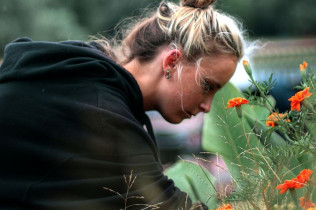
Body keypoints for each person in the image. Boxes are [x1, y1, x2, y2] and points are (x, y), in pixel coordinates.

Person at [0, 0, 245, 209]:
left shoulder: (81, 73)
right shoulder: (105, 117)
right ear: (171, 62)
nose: (208, 106)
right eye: (208, 86)